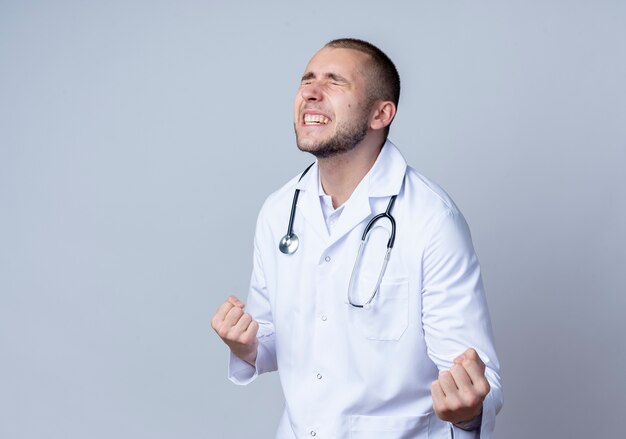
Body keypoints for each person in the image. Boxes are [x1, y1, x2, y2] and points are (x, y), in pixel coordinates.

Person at [211, 38, 502, 438]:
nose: (310, 92)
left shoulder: (432, 220)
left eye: (334, 82)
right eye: (307, 80)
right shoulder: (279, 212)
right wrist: (246, 347)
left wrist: (467, 413)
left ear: (381, 114)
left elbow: (473, 375)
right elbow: (274, 336)